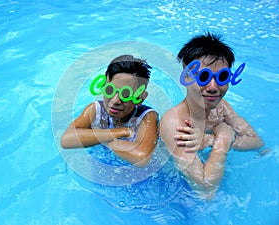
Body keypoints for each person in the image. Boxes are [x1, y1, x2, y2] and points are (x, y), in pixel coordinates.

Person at [159, 33, 264, 195]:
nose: (213, 87)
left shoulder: (221, 107)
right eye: (203, 77)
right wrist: (222, 141)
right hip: (175, 188)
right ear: (186, 76)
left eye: (222, 77)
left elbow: (257, 142)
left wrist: (212, 139)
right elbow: (205, 189)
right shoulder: (175, 123)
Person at [61, 55, 159, 167]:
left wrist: (98, 137)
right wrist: (121, 132)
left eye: (125, 94)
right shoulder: (96, 110)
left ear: (140, 98)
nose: (115, 100)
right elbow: (66, 140)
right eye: (110, 90)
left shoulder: (146, 116)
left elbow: (142, 157)